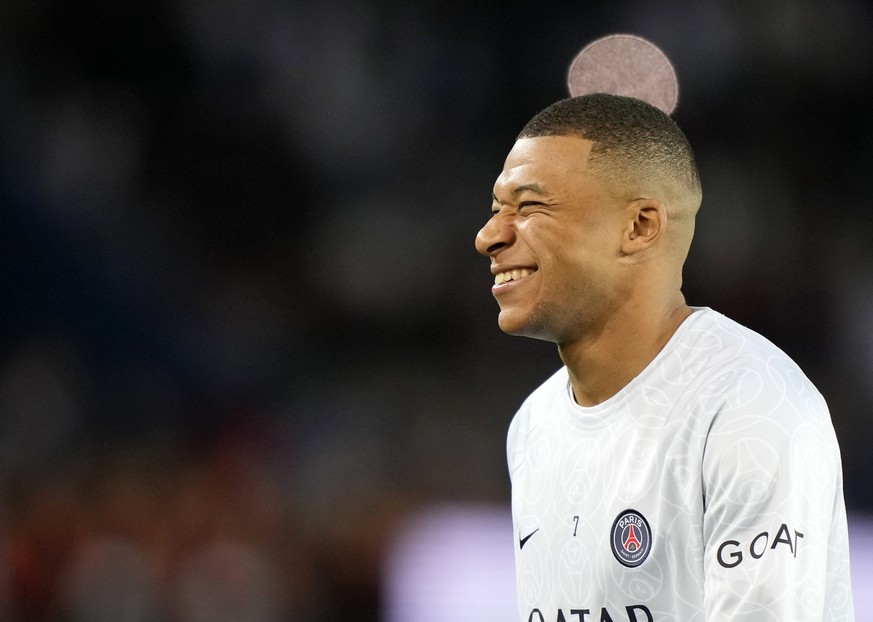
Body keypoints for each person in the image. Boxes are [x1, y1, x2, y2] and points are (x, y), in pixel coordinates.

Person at [475, 93, 855, 621]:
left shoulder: (748, 405)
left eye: (531, 207)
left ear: (639, 227)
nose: (489, 236)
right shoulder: (534, 426)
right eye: (497, 210)